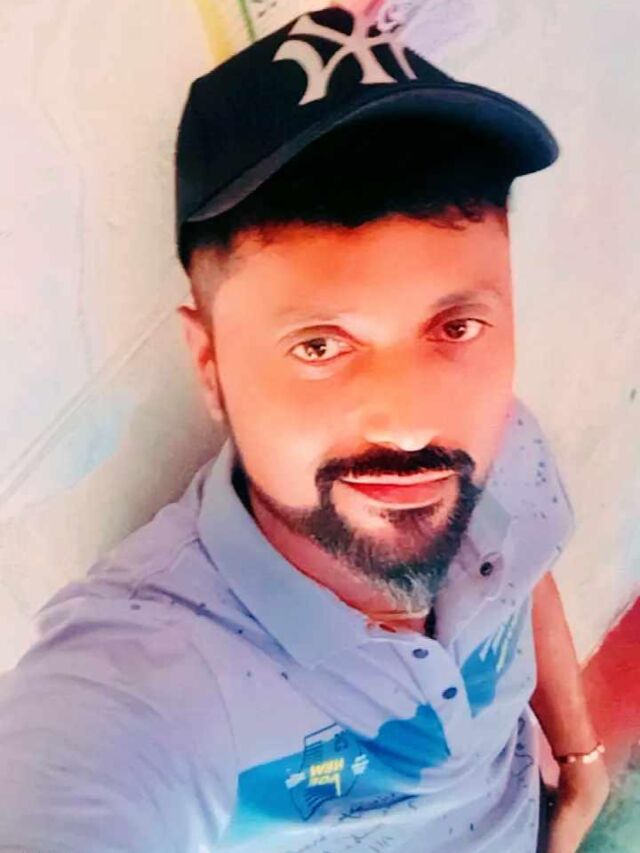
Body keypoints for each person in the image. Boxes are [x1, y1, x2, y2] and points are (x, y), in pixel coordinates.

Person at [0, 6, 610, 852]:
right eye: (320, 345)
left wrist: (580, 760)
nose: (411, 427)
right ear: (210, 363)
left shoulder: (502, 448)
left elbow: (520, 575)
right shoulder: (149, 680)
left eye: (456, 327)